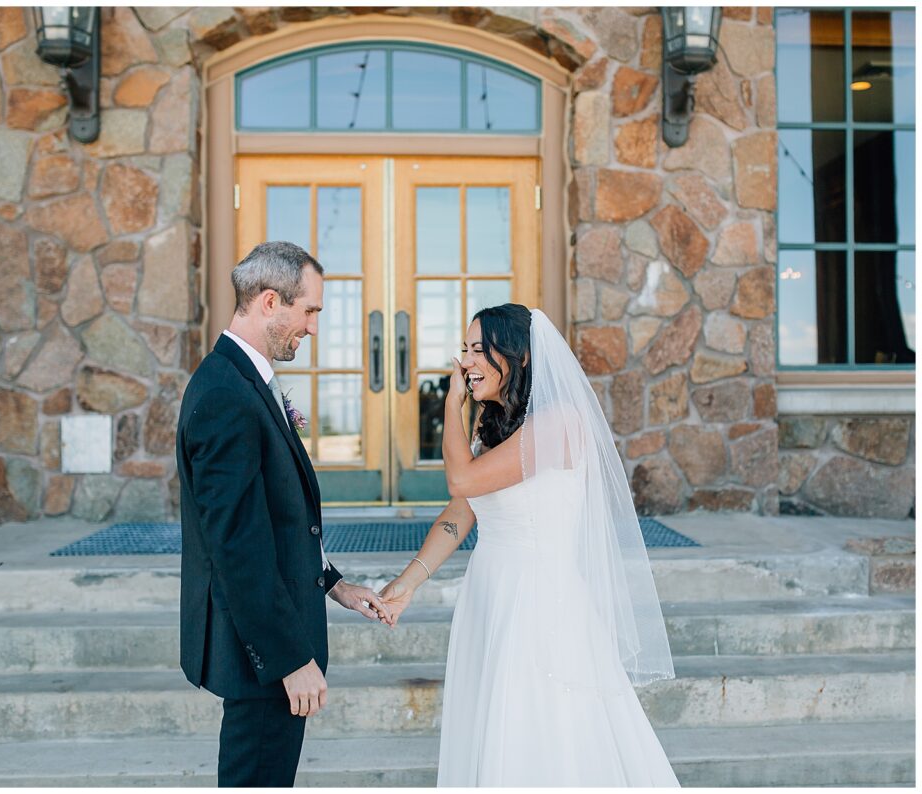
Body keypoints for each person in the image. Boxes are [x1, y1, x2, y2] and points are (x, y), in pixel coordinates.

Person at [380, 303, 679, 786]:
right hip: (490, 597)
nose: (467, 362)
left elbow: (461, 480)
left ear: (517, 357)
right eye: (464, 350)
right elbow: (462, 511)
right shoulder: (492, 426)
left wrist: (450, 406)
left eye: (480, 350)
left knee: (540, 734)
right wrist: (409, 581)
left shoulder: (561, 425)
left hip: (539, 605)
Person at [177, 241, 391, 787]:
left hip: (274, 635)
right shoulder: (226, 392)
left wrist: (334, 583)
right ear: (270, 301)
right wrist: (289, 660)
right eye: (310, 310)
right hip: (263, 656)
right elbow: (237, 544)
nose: (314, 327)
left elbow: (276, 519)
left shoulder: (245, 379)